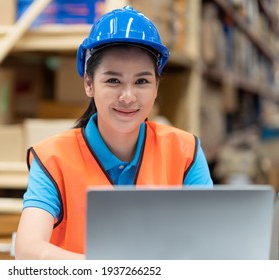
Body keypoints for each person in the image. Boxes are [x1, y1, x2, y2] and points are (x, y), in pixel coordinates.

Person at [15, 5, 213, 260]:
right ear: (89, 83)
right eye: (113, 81)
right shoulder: (53, 159)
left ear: (156, 86)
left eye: (142, 81)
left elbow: (209, 243)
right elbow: (27, 250)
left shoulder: (185, 152)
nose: (128, 97)